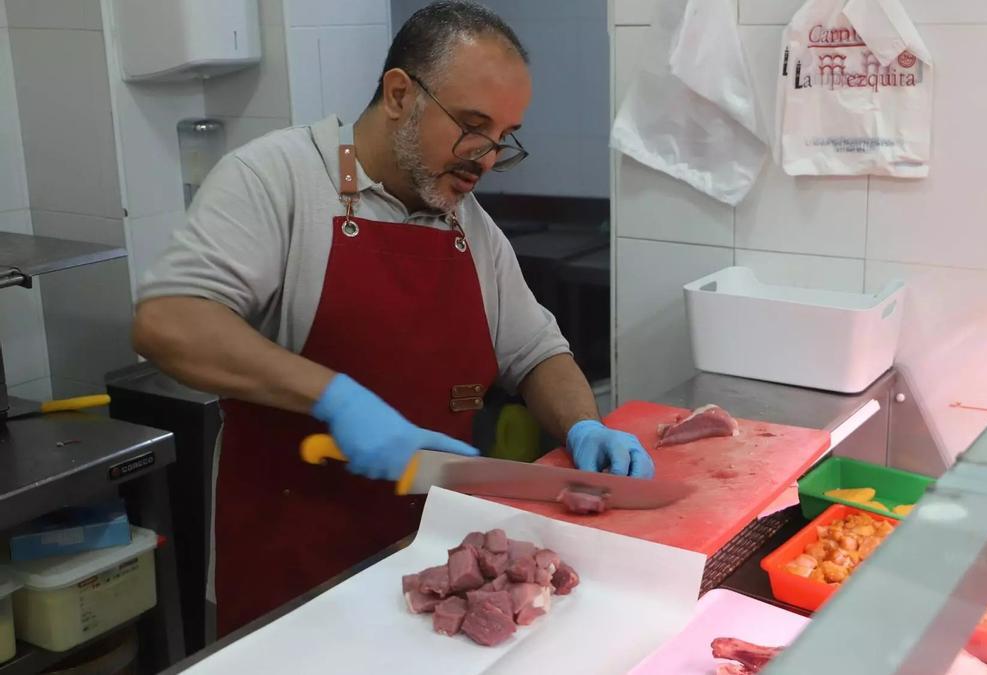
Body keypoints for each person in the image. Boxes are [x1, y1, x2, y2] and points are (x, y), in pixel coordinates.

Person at [131, 0, 652, 635]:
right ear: (401, 94)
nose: (484, 159)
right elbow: (170, 321)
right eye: (470, 125)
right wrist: (338, 399)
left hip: (431, 566)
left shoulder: (471, 228)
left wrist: (582, 426)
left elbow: (536, 351)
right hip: (290, 573)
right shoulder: (277, 178)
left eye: (501, 138)